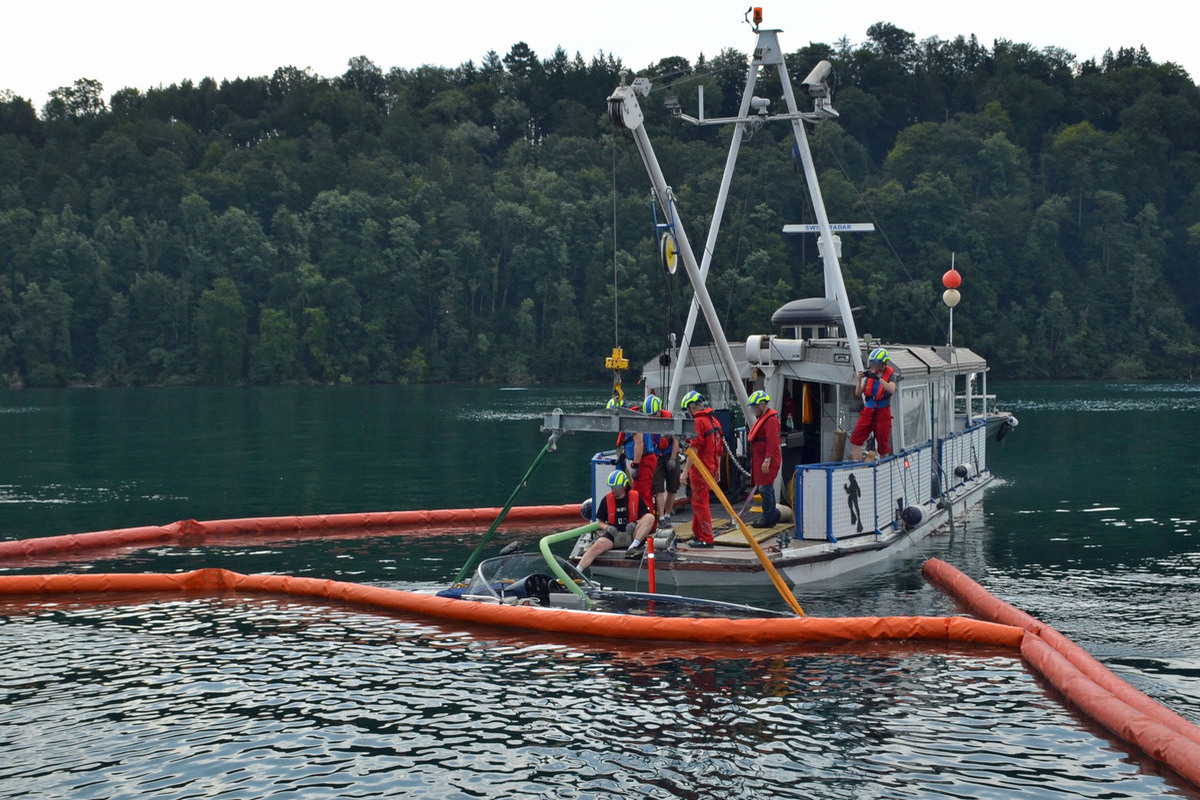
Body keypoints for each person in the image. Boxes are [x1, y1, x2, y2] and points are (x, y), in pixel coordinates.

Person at [576, 470, 656, 570]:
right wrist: (607, 527)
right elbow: (599, 522)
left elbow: (645, 517)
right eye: (611, 487)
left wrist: (635, 523)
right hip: (613, 535)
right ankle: (577, 570)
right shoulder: (606, 500)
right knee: (595, 548)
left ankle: (633, 547)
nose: (612, 490)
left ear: (623, 486)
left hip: (632, 534)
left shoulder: (635, 497)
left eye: (615, 487)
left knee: (650, 517)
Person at [681, 390, 723, 548]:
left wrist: (684, 473)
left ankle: (707, 538)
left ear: (691, 408)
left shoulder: (698, 422)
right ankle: (697, 532)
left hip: (700, 470)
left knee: (700, 503)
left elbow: (694, 449)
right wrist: (717, 469)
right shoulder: (714, 421)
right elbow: (718, 449)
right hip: (710, 467)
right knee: (699, 501)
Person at [849, 348, 899, 461]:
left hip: (883, 412)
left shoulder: (891, 375)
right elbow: (858, 393)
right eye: (871, 363)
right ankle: (857, 465)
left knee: (883, 444)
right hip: (868, 411)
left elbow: (891, 389)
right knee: (856, 439)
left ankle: (882, 466)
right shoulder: (871, 376)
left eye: (875, 363)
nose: (873, 365)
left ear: (883, 363)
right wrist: (859, 380)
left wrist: (879, 379)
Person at [746, 389, 782, 528]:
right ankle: (772, 515)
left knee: (766, 489)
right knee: (767, 488)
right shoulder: (764, 418)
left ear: (761, 405)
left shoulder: (770, 420)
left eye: (754, 407)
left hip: (767, 460)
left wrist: (767, 460)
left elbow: (772, 442)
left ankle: (768, 518)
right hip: (762, 458)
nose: (753, 411)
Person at [648, 393, 680, 530]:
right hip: (656, 456)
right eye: (649, 416)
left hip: (669, 454)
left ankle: (667, 515)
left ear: (659, 412)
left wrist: (673, 458)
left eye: (654, 415)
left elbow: (676, 439)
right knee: (658, 488)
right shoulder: (647, 422)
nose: (652, 418)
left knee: (672, 487)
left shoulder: (668, 419)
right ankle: (661, 518)